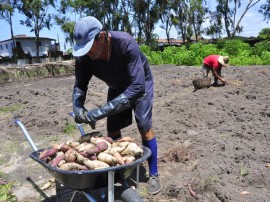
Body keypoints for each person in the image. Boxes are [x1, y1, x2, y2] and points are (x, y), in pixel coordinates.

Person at [71, 16, 162, 195]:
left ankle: (154, 173)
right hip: (116, 86)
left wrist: (100, 112)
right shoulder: (84, 58)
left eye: (89, 47)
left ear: (102, 36)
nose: (87, 53)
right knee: (112, 130)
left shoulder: (125, 43)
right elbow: (80, 85)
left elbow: (137, 86)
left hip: (139, 83)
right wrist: (78, 107)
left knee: (144, 125)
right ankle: (119, 170)